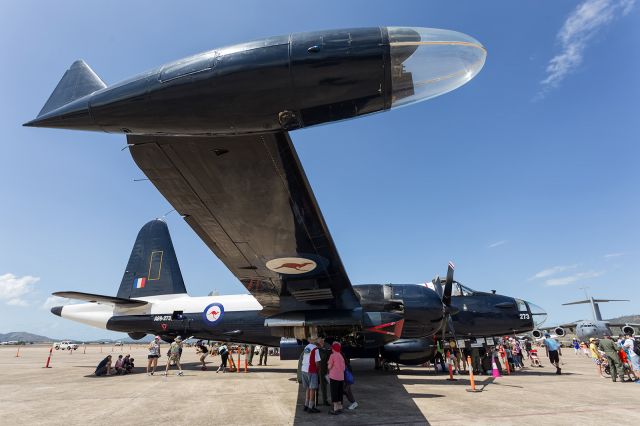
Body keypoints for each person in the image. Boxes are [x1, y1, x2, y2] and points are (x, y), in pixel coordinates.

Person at [301, 337, 322, 413]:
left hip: (304, 369)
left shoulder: (307, 347)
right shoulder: (315, 349)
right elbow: (317, 362)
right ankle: (311, 407)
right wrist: (318, 370)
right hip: (311, 370)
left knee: (308, 388)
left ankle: (306, 405)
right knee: (312, 389)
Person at [327, 342, 346, 415]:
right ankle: (340, 407)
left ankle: (335, 409)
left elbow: (329, 366)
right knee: (340, 392)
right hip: (341, 377)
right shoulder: (341, 356)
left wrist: (328, 365)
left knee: (334, 392)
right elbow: (344, 368)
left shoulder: (332, 356)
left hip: (334, 377)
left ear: (333, 349)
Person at [317, 338, 331, 406]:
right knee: (316, 386)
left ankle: (324, 401)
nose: (321, 342)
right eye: (320, 342)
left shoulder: (327, 346)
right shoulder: (316, 347)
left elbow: (329, 354)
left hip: (324, 369)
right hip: (318, 369)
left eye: (322, 341)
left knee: (323, 386)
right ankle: (316, 401)